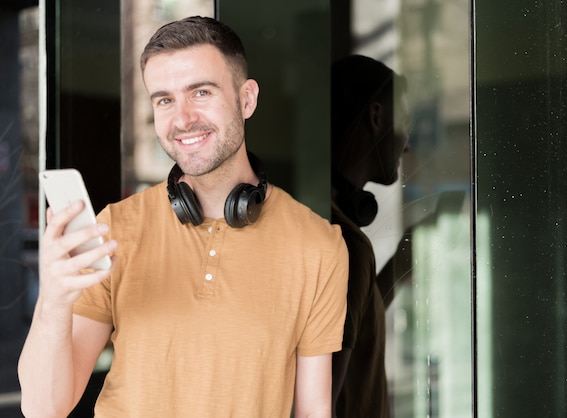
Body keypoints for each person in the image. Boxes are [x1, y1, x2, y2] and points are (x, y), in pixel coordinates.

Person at [18, 16, 348, 418]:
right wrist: (53, 300)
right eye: (164, 100)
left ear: (247, 99)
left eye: (201, 92)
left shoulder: (317, 244)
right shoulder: (115, 227)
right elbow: (43, 408)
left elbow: (314, 411)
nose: (182, 118)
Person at [330, 55, 409, 418]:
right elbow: (320, 401)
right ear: (376, 117)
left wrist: (400, 267)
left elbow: (354, 324)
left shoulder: (327, 226)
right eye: (404, 121)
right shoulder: (345, 244)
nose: (407, 143)